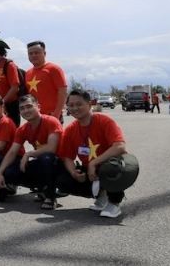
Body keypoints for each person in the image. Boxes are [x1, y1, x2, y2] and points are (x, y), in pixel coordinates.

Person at [56, 90, 132, 218]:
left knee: (110, 168)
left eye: (79, 104)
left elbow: (119, 146)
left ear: (90, 104)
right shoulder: (70, 130)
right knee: (62, 179)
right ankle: (101, 196)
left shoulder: (104, 121)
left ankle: (114, 202)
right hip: (91, 170)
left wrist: (94, 162)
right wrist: (74, 172)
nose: (75, 108)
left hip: (113, 164)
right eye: (71, 105)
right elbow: (67, 157)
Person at [0, 95, 62, 209]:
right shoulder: (23, 129)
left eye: (29, 106)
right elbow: (12, 152)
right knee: (10, 172)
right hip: (41, 161)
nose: (26, 110)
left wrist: (29, 154)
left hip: (60, 164)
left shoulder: (51, 121)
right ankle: (42, 189)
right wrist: (0, 172)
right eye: (22, 108)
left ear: (38, 106)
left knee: (46, 157)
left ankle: (51, 197)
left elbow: (52, 148)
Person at [25, 40, 68, 121]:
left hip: (52, 115)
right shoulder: (28, 73)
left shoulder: (54, 69)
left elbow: (63, 92)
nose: (33, 55)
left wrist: (57, 114)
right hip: (35, 117)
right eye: (30, 53)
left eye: (36, 52)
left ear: (44, 53)